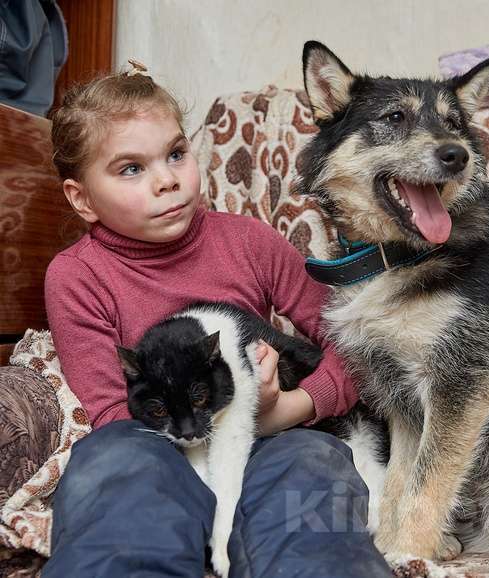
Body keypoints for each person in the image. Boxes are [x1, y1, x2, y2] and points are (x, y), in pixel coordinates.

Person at [42, 61, 392, 578]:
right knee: (114, 458)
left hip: (278, 438)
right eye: (131, 168)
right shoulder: (76, 276)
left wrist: (295, 406)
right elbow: (114, 412)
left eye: (177, 154)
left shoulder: (248, 242)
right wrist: (204, 448)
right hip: (164, 448)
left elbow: (355, 341)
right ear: (82, 198)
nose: (167, 181)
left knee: (315, 469)